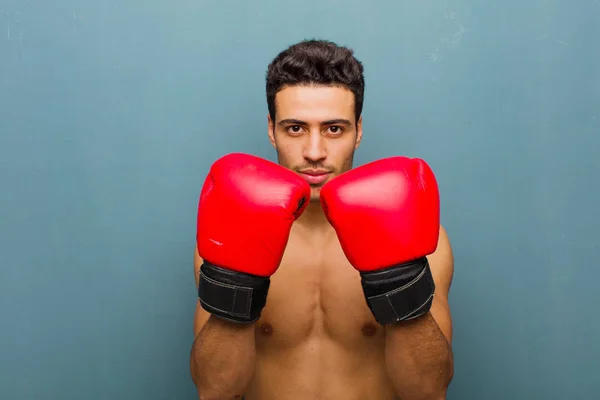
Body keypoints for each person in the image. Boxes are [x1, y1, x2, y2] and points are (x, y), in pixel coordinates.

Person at [190, 39, 454, 400]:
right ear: (271, 129)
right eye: (295, 128)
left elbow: (428, 391)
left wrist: (402, 286)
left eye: (334, 129)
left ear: (358, 131)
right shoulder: (228, 230)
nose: (314, 153)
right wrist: (236, 285)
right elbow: (214, 390)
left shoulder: (422, 237)